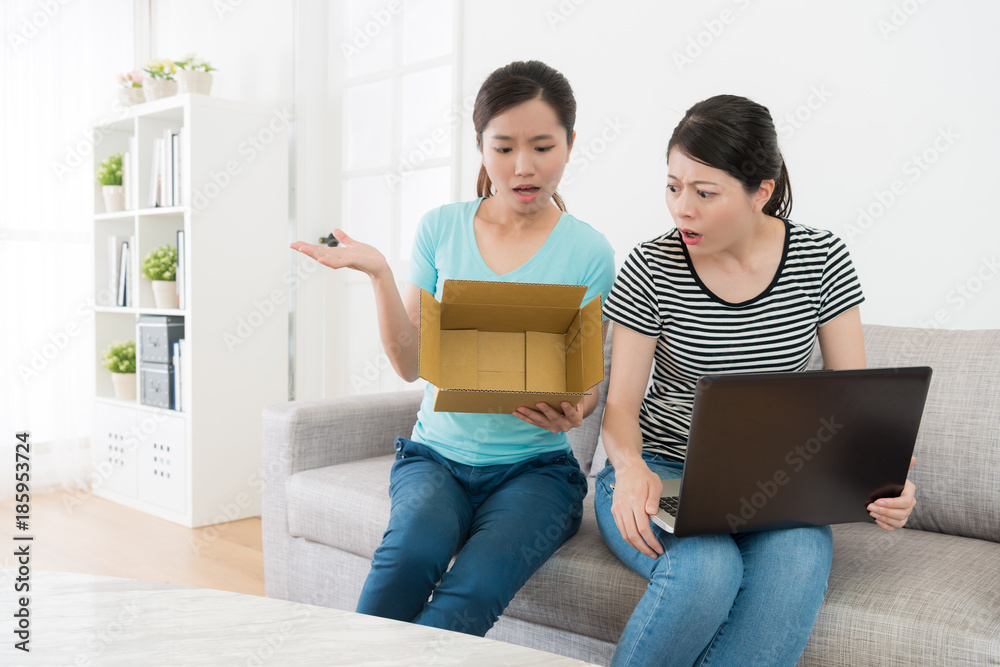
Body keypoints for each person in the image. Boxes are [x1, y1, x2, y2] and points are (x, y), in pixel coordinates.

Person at [290, 60, 615, 636]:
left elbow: (586, 385)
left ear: (570, 144)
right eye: (504, 146)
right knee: (406, 562)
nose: (523, 167)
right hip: (435, 461)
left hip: (536, 473)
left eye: (542, 146)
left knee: (472, 592)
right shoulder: (441, 228)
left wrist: (576, 410)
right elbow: (412, 365)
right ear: (479, 147)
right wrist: (380, 275)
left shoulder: (589, 251)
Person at [594, 94, 917, 666]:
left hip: (782, 490)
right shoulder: (650, 266)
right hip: (663, 475)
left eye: (705, 192)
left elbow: (860, 407)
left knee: (797, 561)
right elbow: (620, 407)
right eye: (672, 186)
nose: (681, 209)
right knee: (704, 572)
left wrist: (884, 483)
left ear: (760, 191)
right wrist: (629, 469)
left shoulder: (821, 258)